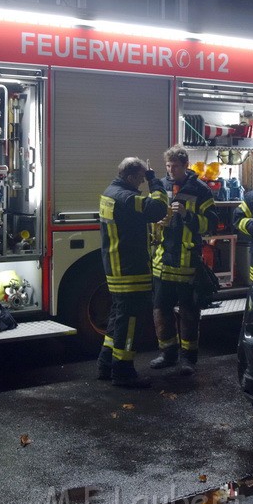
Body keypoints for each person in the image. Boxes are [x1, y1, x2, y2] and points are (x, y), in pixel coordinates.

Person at [96, 157, 168, 389]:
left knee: (118, 318)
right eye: (140, 178)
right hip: (130, 269)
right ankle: (123, 372)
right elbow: (158, 209)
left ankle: (105, 364)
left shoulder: (110, 192)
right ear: (130, 177)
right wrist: (155, 181)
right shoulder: (126, 197)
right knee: (130, 323)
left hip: (117, 267)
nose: (141, 182)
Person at [150, 145, 218, 376]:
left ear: (186, 165)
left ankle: (188, 358)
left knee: (189, 312)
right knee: (160, 309)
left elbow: (210, 224)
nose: (170, 171)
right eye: (167, 166)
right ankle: (167, 353)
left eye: (175, 166)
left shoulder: (201, 190)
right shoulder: (161, 186)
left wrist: (187, 216)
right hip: (162, 260)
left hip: (187, 261)